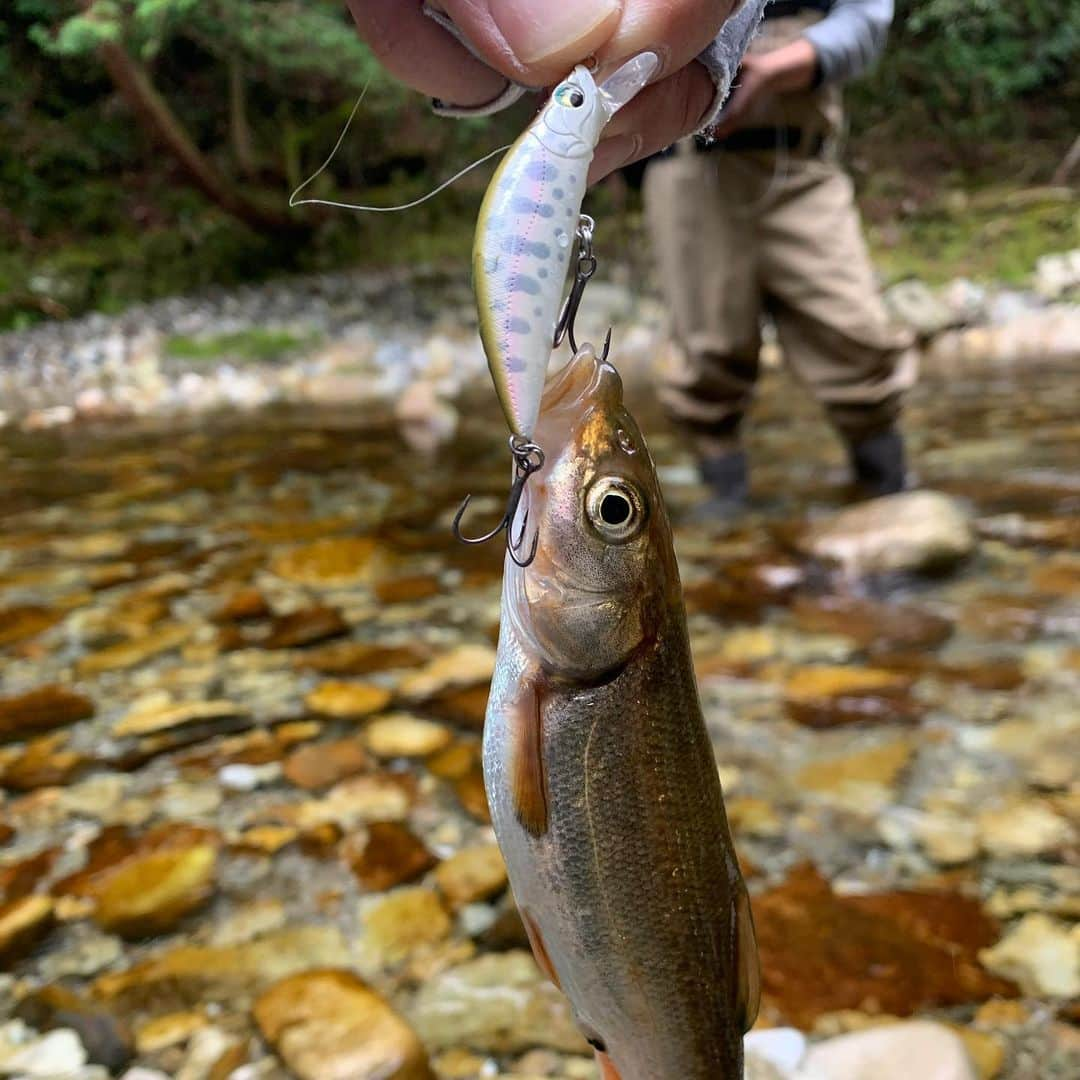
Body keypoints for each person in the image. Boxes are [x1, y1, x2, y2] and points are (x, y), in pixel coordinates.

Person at [643, 0, 917, 507]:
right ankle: (727, 511)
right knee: (707, 353)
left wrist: (770, 70)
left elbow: (865, 23)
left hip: (802, 168)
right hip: (688, 173)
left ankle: (888, 490)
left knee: (856, 334)